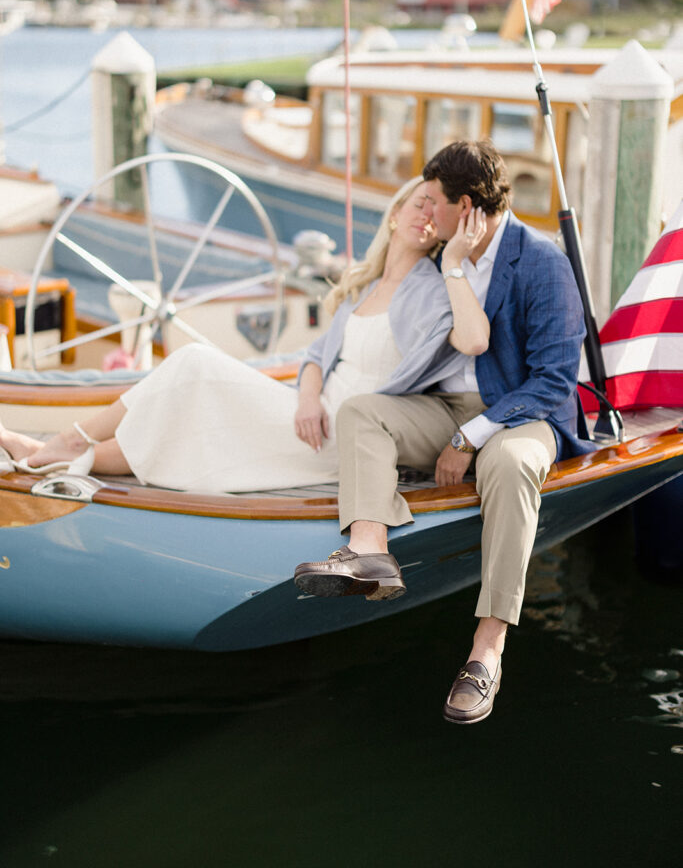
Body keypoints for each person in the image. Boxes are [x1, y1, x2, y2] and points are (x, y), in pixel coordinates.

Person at [294, 139, 594, 724]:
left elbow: (556, 380)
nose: (425, 212)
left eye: (433, 201)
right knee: (361, 410)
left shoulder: (542, 262)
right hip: (441, 407)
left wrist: (471, 436)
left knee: (508, 466)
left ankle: (487, 651)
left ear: (467, 208)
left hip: (519, 412)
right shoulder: (440, 259)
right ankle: (370, 554)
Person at [0, 177, 489, 495]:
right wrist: (307, 397)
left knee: (194, 363)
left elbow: (470, 341)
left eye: (438, 212)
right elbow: (318, 356)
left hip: (351, 437)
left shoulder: (431, 290)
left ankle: (66, 440)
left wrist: (453, 265)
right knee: (190, 412)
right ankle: (53, 454)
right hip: (312, 416)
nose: (427, 213)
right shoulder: (362, 284)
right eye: (420, 201)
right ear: (394, 213)